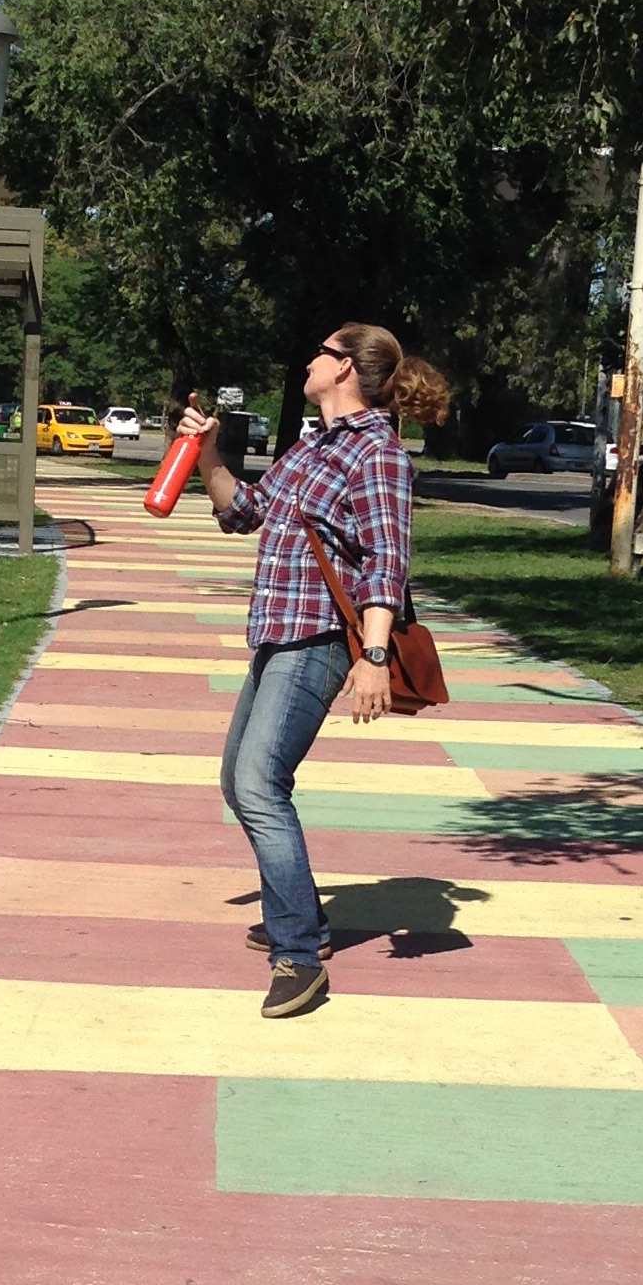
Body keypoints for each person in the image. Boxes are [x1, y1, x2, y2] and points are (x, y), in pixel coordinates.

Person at [191, 321, 447, 1018]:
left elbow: (387, 564)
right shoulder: (312, 446)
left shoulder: (377, 454)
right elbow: (244, 511)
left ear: (344, 369)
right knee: (238, 781)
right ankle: (301, 916)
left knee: (259, 783)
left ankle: (299, 956)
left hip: (321, 640)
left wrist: (373, 657)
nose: (308, 359)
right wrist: (207, 454)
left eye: (321, 351)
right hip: (277, 634)